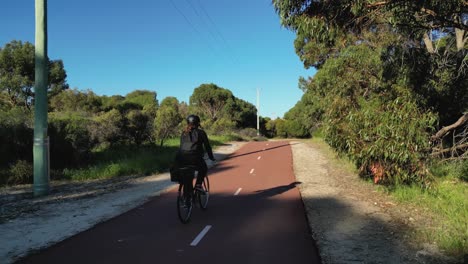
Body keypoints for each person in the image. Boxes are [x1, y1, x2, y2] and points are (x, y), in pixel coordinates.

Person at [175, 114, 215, 205]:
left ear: (188, 123)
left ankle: (186, 199)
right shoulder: (201, 133)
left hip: (181, 159)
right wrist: (211, 157)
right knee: (203, 168)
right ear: (198, 123)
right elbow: (207, 146)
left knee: (187, 177)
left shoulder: (183, 133)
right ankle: (198, 185)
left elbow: (181, 146)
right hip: (195, 158)